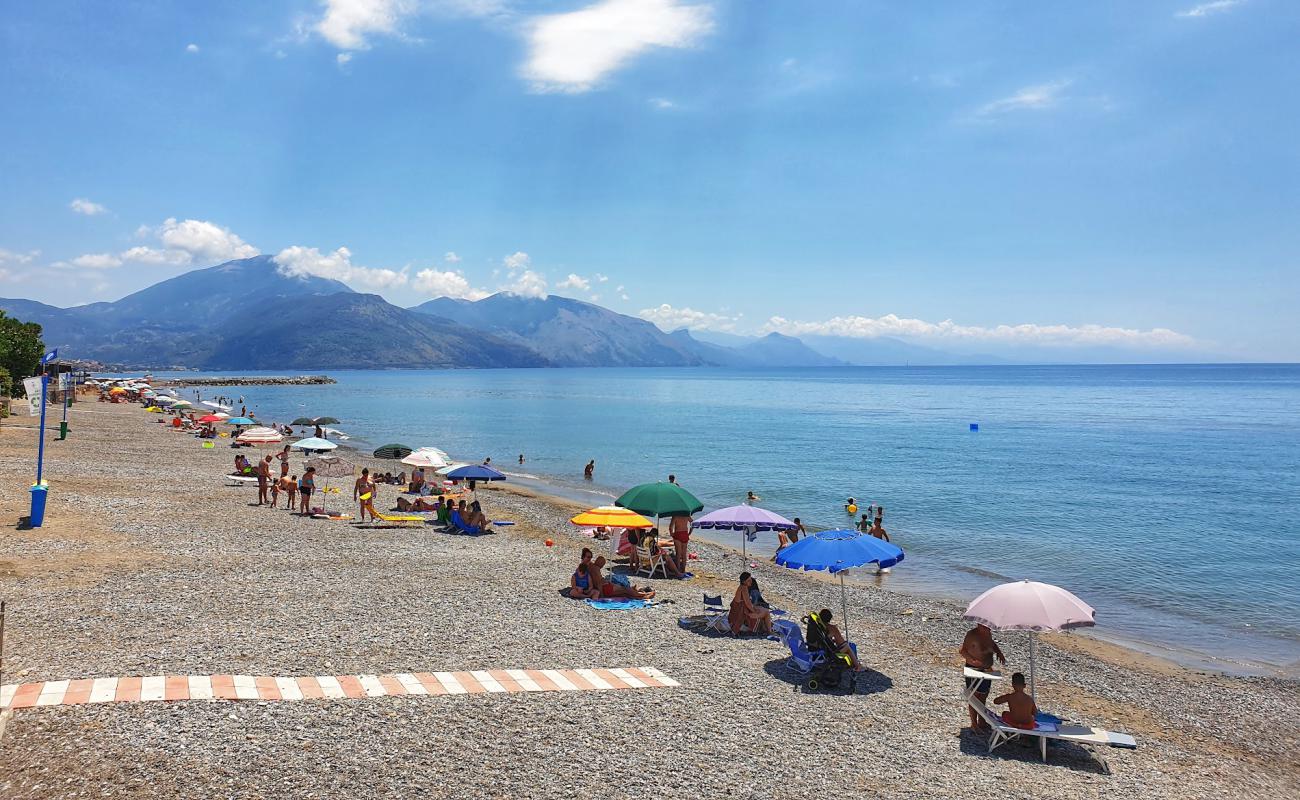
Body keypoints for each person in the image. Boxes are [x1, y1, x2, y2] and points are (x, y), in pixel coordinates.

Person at [960, 623, 1007, 731]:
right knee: (974, 696)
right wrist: (972, 661)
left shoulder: (988, 633)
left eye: (988, 626)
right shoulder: (972, 635)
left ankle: (982, 720)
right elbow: (962, 650)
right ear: (979, 625)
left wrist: (999, 652)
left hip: (987, 669)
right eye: (985, 626)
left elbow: (991, 644)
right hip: (975, 669)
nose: (988, 628)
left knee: (984, 695)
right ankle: (974, 723)